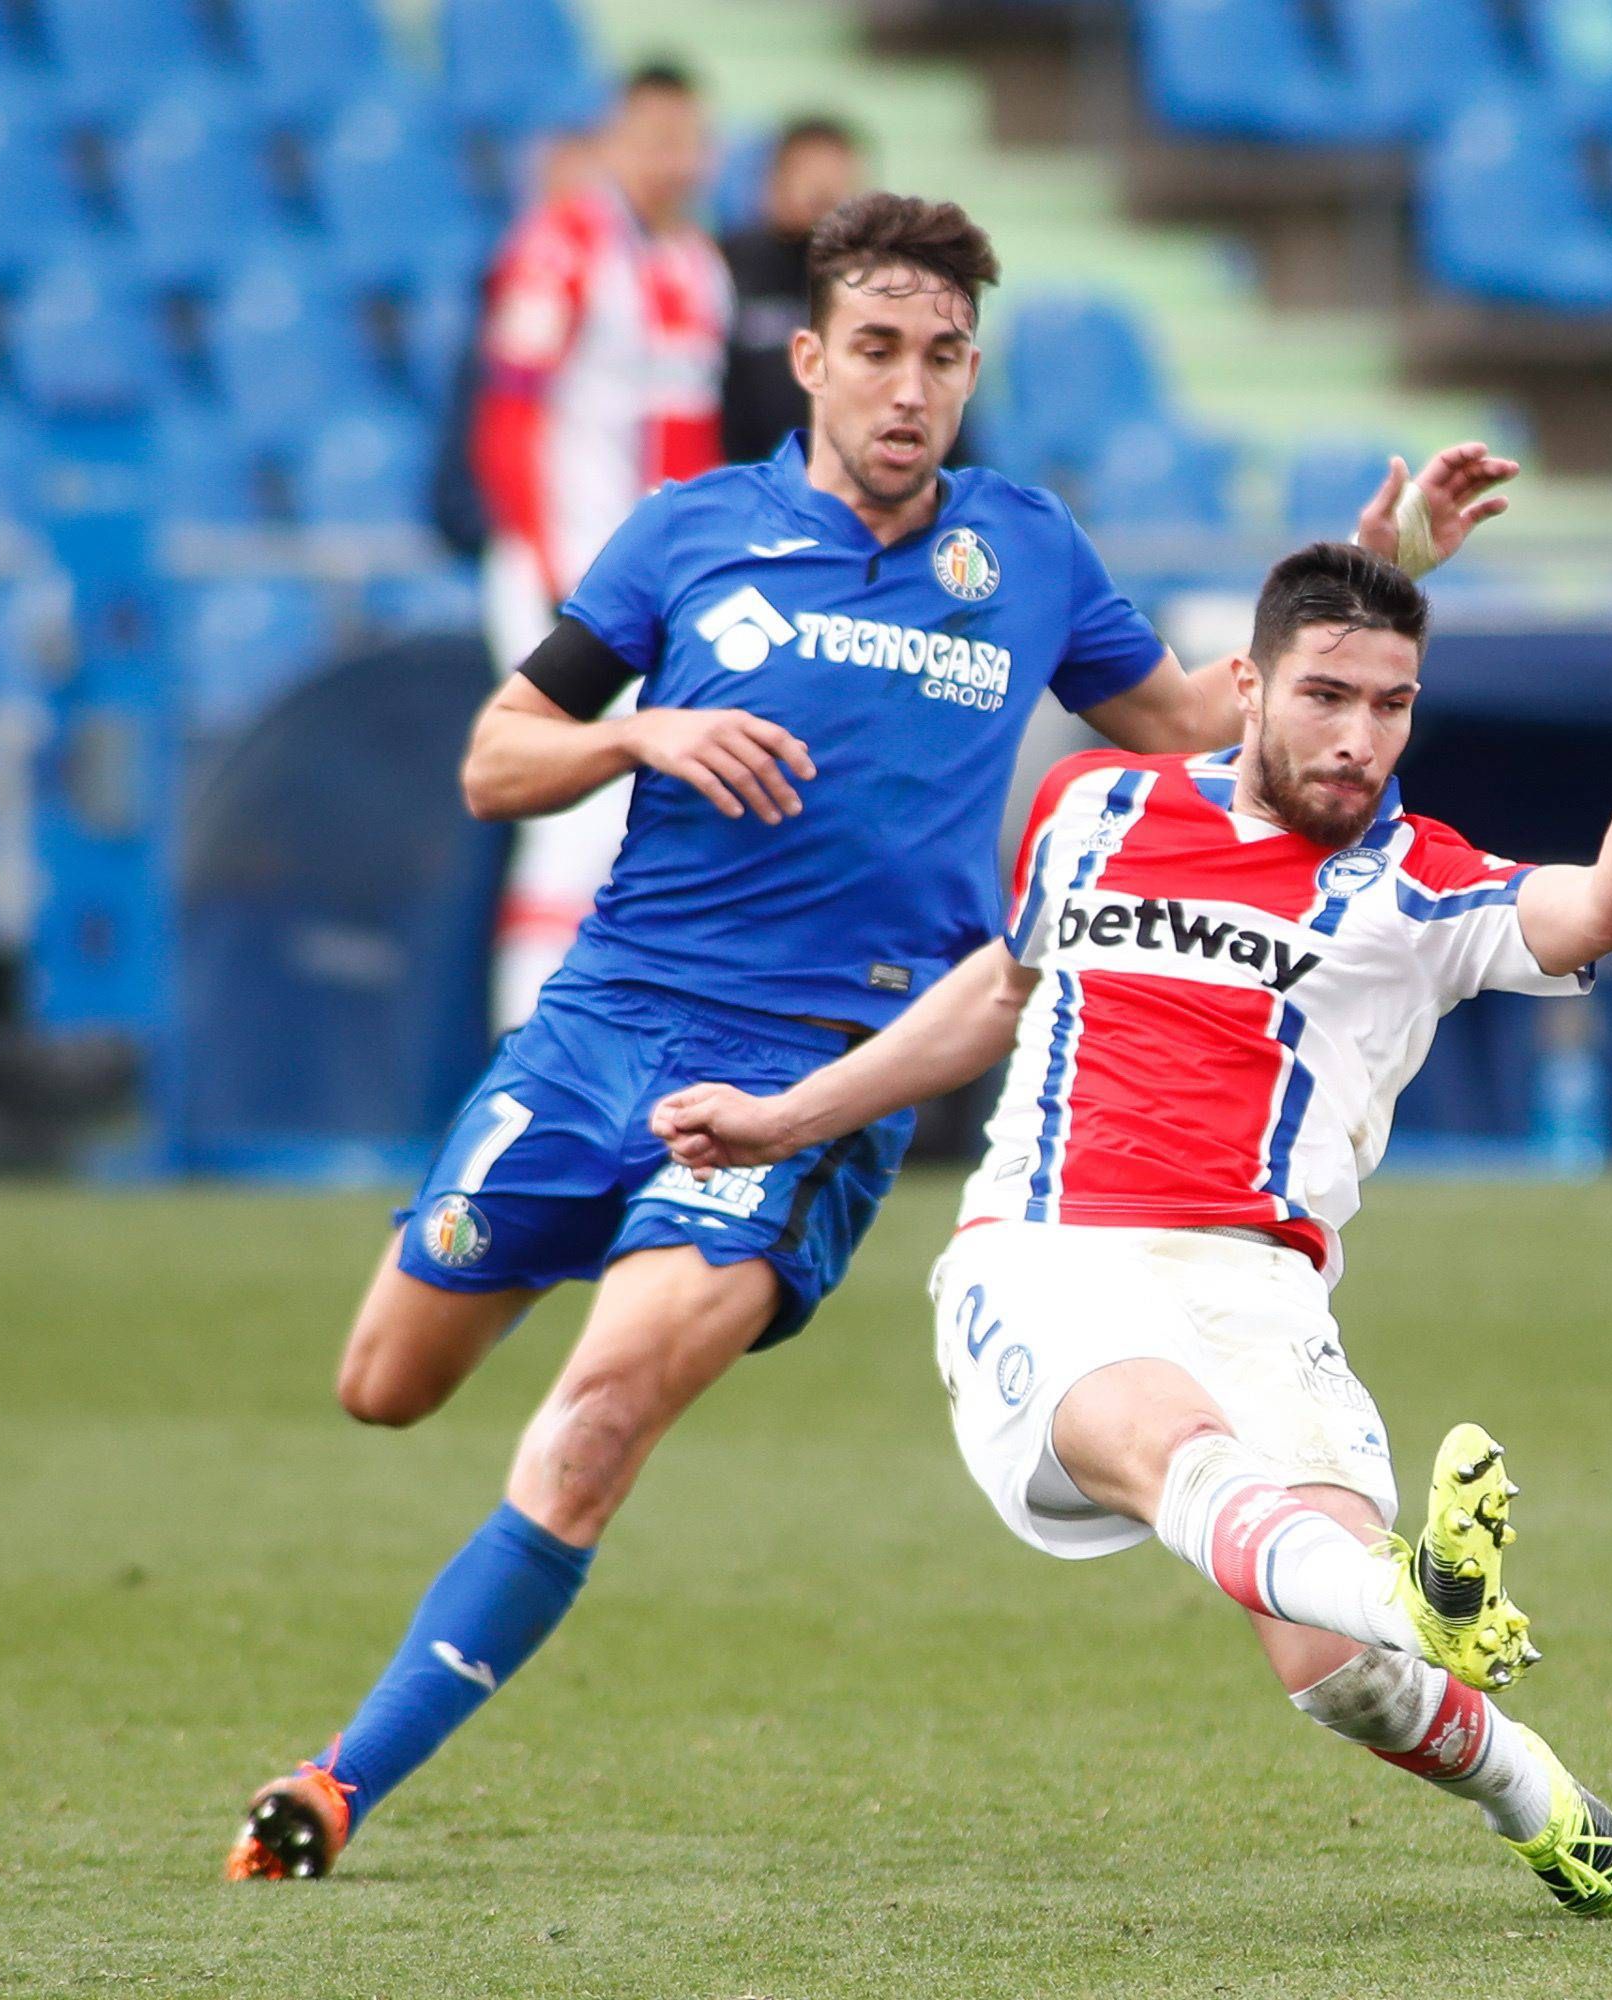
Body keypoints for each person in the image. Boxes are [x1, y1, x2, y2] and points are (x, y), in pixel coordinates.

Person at [221, 191, 1520, 1881]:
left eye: (948, 359)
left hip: (818, 1071)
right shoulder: (685, 537)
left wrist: (1385, 566)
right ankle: (587, 1243)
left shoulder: (1023, 553)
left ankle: (335, 1785)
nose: (914, 391)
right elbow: (495, 755)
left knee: (604, 1412)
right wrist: (645, 740)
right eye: (884, 353)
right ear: (813, 360)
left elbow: (1209, 723)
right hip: (601, 1029)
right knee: (384, 1386)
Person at [647, 544, 1612, 1917]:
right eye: (1327, 695)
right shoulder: (1090, 807)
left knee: (1341, 1672)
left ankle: (1541, 1799)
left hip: (1262, 1290)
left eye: (1392, 705)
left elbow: (1606, 910)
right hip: (1048, 1256)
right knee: (1175, 1451)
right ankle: (1424, 1602)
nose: (1359, 737)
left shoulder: (1415, 885)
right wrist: (789, 1116)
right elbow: (1001, 992)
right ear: (1247, 689)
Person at [473, 64, 733, 1030]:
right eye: (656, 137)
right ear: (618, 141)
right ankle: (525, 1056)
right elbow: (507, 418)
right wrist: (548, 567)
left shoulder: (697, 264)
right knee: (571, 814)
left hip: (655, 585)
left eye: (690, 139)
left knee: (649, 816)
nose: (676, 159)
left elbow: (691, 443)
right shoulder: (562, 246)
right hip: (568, 574)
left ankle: (610, 1048)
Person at [722, 115, 867, 466]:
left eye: (836, 181)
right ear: (774, 183)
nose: (824, 194)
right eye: (809, 176)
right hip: (742, 487)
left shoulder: (880, 285)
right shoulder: (726, 267)